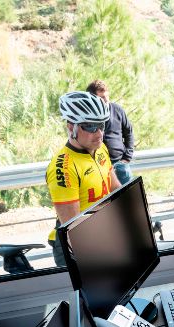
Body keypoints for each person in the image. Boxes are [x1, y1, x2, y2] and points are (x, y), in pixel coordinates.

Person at [45, 91, 121, 266]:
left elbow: (116, 189)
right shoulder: (63, 168)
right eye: (90, 126)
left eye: (102, 125)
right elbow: (74, 228)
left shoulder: (100, 149)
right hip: (75, 245)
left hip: (100, 233)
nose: (99, 133)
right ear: (71, 127)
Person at [86, 80, 134, 184]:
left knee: (128, 197)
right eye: (102, 98)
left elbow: (129, 132)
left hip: (120, 164)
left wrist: (127, 157)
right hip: (99, 167)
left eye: (107, 96)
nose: (106, 100)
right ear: (93, 99)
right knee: (106, 199)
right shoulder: (88, 116)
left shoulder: (117, 109)